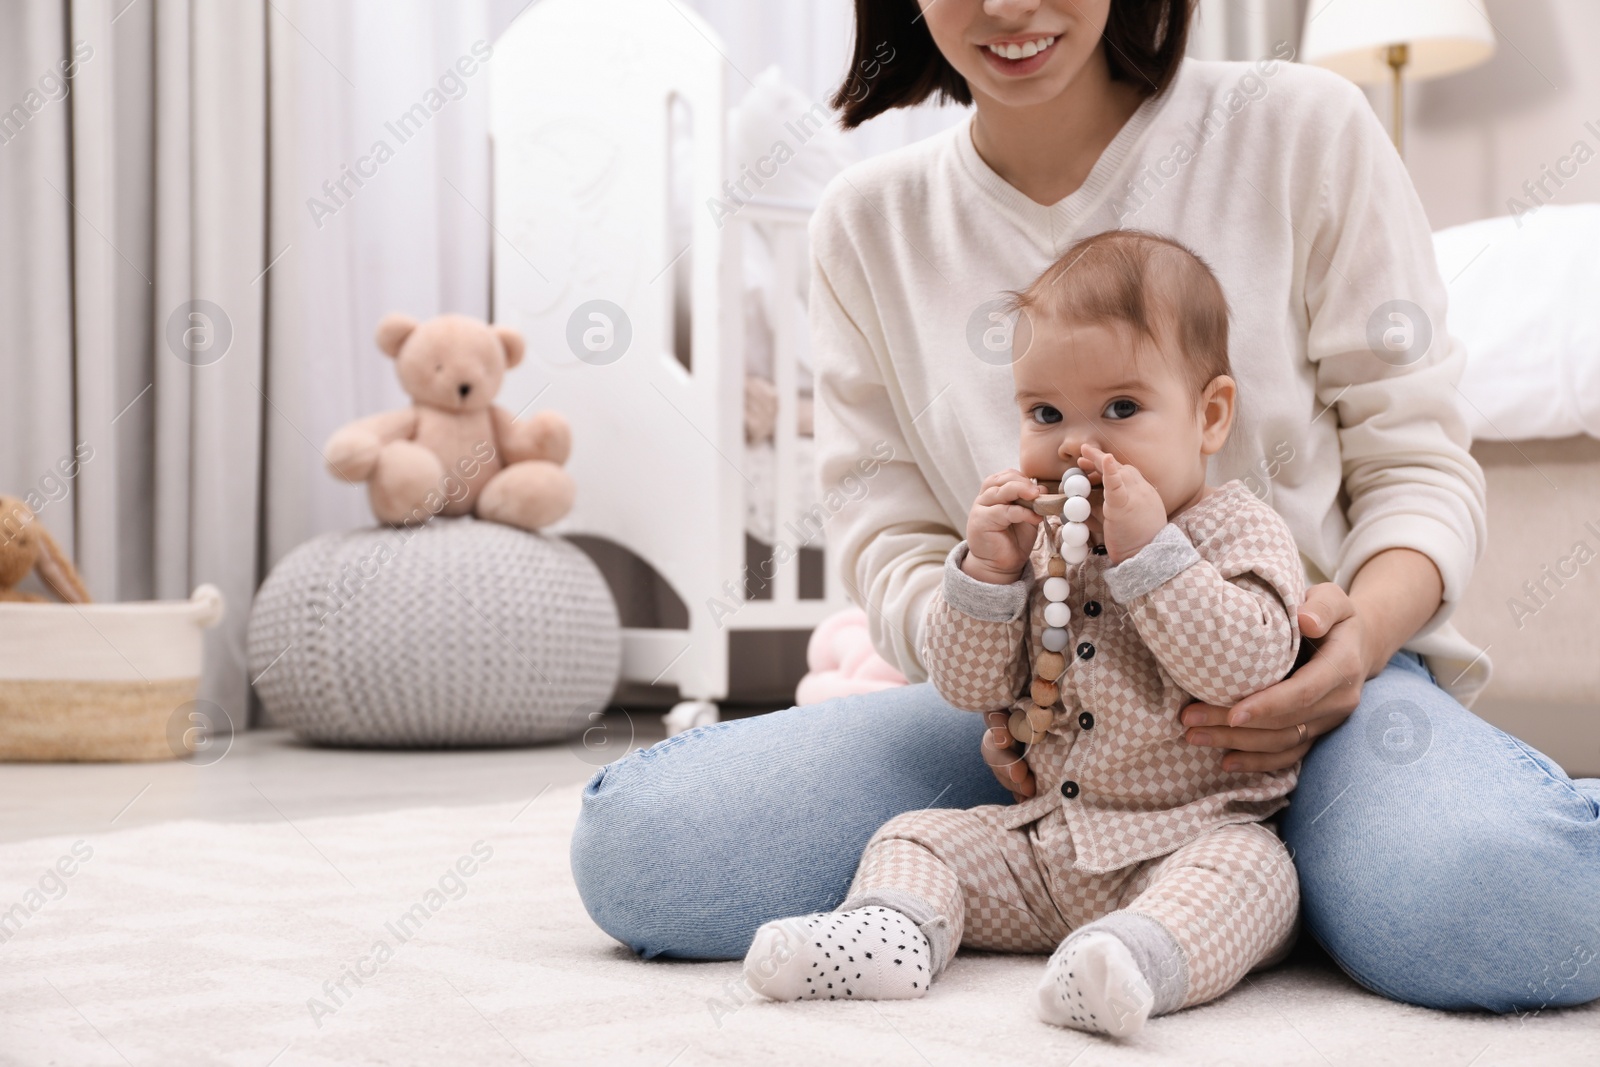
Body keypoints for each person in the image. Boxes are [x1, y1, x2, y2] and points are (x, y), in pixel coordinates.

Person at [571, 0, 1600, 1013]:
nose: (1008, 6)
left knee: (1511, 895)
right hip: (1050, 723)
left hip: (1326, 691)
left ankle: (1275, 874)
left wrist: (1357, 643)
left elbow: (1414, 461)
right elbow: (888, 533)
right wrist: (989, 662)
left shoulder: (1300, 128)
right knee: (644, 849)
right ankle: (1251, 895)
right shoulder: (867, 224)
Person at [741, 230, 1308, 1038]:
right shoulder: (1038, 546)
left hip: (1190, 840)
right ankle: (892, 933)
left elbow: (1246, 663)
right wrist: (984, 575)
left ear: (1210, 415)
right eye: (1046, 413)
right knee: (917, 834)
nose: (1079, 442)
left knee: (1258, 877)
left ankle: (1128, 960)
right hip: (1048, 848)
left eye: (1122, 408)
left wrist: (1152, 557)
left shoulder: (1234, 530)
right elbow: (966, 687)